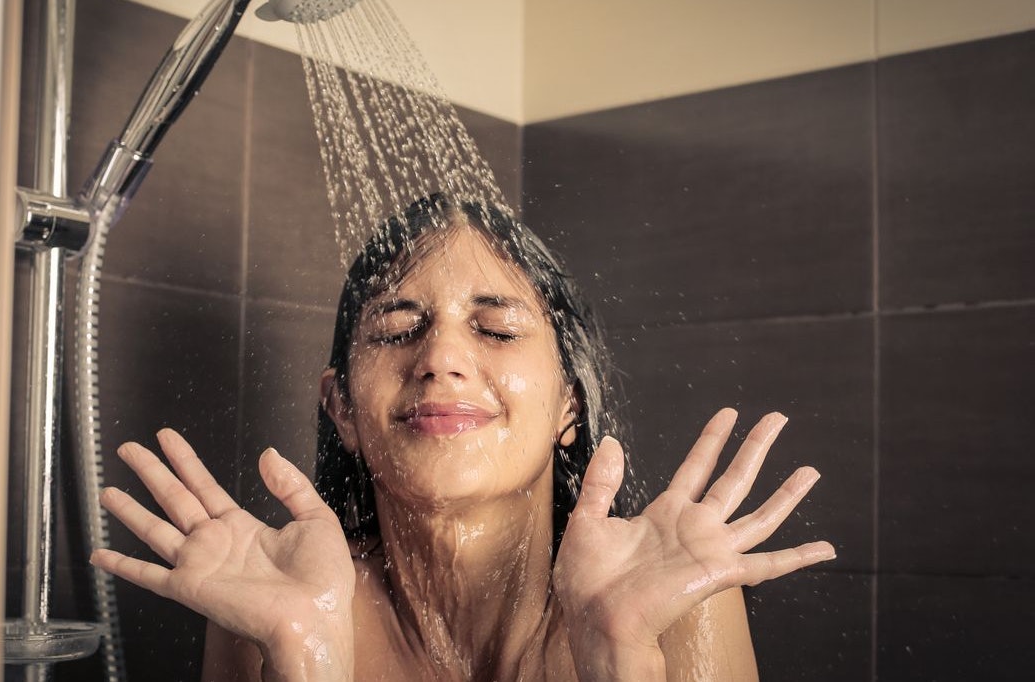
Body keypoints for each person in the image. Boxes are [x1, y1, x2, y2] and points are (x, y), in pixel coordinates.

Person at [90, 194, 836, 681]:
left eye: (497, 329)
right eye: (396, 330)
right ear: (342, 407)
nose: (441, 359)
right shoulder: (272, 603)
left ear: (568, 406)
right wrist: (302, 652)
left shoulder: (670, 602)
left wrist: (621, 652)